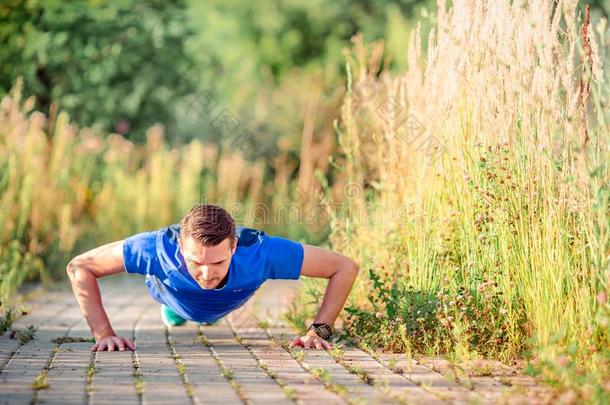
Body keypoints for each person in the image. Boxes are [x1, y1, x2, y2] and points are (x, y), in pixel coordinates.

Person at [66, 204, 359, 352]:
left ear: (233, 247)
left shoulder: (262, 252)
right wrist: (104, 334)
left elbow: (345, 267)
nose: (206, 273)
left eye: (218, 261)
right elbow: (79, 267)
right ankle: (173, 311)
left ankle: (203, 314)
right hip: (171, 294)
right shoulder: (153, 249)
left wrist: (318, 331)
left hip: (228, 302)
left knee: (209, 316)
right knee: (181, 310)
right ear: (180, 247)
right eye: (196, 262)